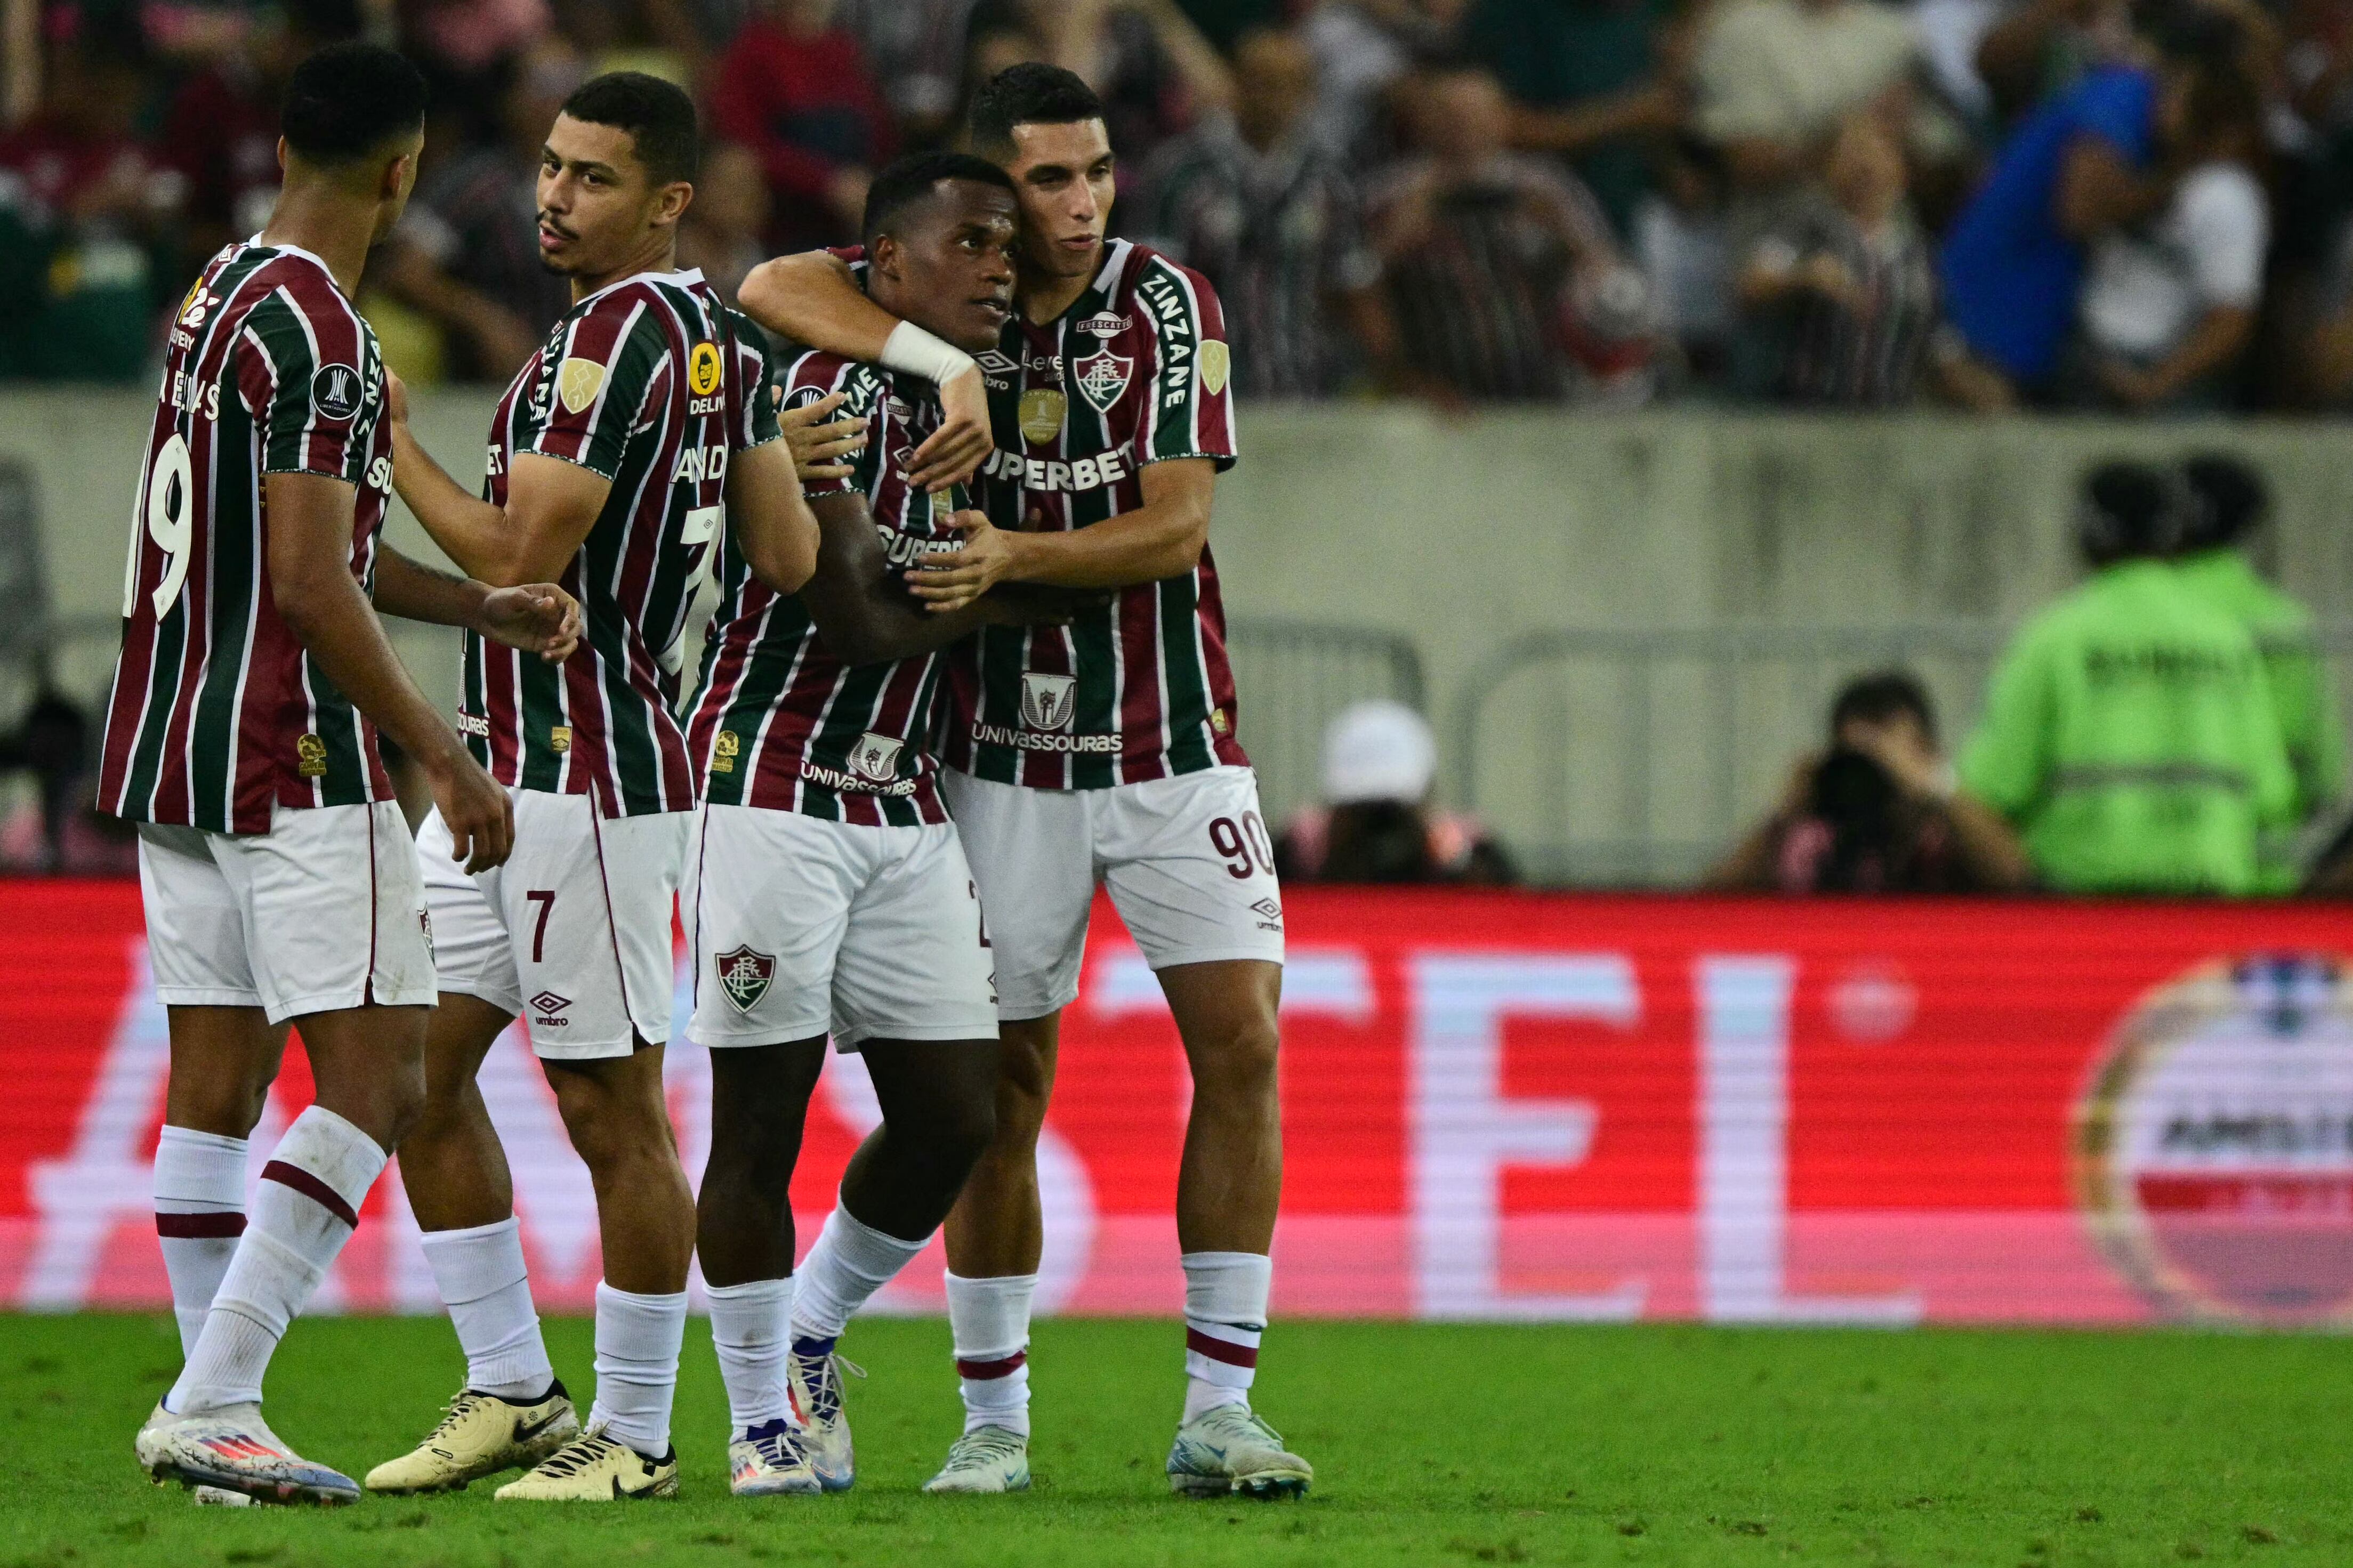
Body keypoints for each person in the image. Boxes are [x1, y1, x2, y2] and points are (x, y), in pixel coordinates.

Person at [737, 62, 1312, 1501]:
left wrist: (1008, 556)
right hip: (997, 758)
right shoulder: (943, 311)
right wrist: (938, 370)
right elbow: (765, 282)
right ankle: (992, 1419)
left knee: (1240, 1039)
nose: (1079, 205)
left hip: (1175, 736)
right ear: (981, 196)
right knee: (1003, 1086)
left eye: (1096, 171)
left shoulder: (1161, 304)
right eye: (1045, 181)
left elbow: (1174, 527)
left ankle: (1218, 1409)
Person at [112, 41, 576, 1506]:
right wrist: (442, 753)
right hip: (285, 749)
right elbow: (314, 585)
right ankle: (218, 1392)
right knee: (383, 1072)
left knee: (212, 1083)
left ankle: (210, 1430)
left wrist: (473, 600)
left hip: (168, 740)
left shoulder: (220, 290)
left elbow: (305, 548)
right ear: (405, 165)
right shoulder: (324, 329)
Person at [367, 72, 802, 1504]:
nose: (555, 195)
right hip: (522, 773)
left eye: (594, 178)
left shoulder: (608, 340)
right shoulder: (720, 339)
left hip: (592, 784)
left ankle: (637, 1429)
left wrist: (388, 437)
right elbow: (788, 555)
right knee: (411, 1075)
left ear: (669, 200)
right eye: (551, 167)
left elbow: (512, 559)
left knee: (611, 1106)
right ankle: (513, 1387)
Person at [687, 150, 1085, 1499]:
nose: (1000, 270)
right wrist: (1009, 586)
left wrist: (991, 572)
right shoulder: (821, 384)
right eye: (973, 242)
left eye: (1008, 252)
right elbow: (855, 616)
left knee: (955, 1115)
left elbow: (940, 595)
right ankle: (756, 1424)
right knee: (760, 1125)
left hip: (901, 796)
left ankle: (806, 1328)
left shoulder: (977, 405)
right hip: (772, 787)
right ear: (889, 265)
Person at [1958, 460, 2296, 896]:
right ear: (2174, 534)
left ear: (2087, 534)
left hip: (2087, 915)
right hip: (2213, 909)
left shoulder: (2054, 640)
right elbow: (2273, 796)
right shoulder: (2228, 641)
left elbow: (1986, 790)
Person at [1939, 7, 2239, 401]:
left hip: (2020, 323)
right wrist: (2179, 179)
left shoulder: (2134, 103)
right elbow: (2079, 210)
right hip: (1987, 315)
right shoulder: (2128, 95)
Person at [1134, 24, 1396, 398]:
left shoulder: (1330, 178)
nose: (1274, 98)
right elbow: (1148, 287)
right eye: (1261, 82)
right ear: (1236, 84)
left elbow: (1352, 284)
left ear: (1309, 95)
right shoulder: (1180, 172)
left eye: (1289, 85)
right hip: (1201, 389)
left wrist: (1394, 371)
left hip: (1307, 385)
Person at [1367, 60, 1631, 402]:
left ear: (1502, 118)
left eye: (1475, 115)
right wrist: (1398, 236)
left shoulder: (1546, 188)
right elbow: (1355, 288)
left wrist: (1569, 236)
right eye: (1449, 116)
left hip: (1544, 391)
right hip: (1437, 398)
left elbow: (1610, 280)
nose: (1463, 128)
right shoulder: (1389, 195)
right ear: (1423, 122)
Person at [2174, 454, 2346, 890]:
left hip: (2121, 876)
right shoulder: (2281, 620)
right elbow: (2311, 765)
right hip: (2257, 868)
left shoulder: (2109, 618)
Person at [1709, 672, 2034, 892]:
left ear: (1927, 752)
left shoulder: (1949, 834)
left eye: (1886, 754)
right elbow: (1712, 902)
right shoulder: (1815, 843)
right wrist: (1784, 813)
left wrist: (1937, 785)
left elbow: (2014, 878)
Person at [2074, 61, 2268, 409]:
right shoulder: (2153, 164)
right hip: (2090, 355)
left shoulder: (2227, 195)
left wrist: (2155, 383)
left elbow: (2231, 321)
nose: (2165, 101)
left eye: (2180, 95)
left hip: (2156, 376)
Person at [1734, 113, 1941, 405]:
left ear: (1901, 170)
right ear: (1830, 166)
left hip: (1891, 418)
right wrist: (1803, 276)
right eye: (1854, 153)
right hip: (1811, 415)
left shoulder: (1917, 248)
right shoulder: (1805, 227)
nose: (1866, 167)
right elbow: (1751, 284)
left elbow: (1937, 332)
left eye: (1879, 153)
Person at [1276, 699, 1514, 884]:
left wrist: (1462, 863)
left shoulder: (1461, 847)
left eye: (1394, 811)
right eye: (1362, 812)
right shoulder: (1301, 850)